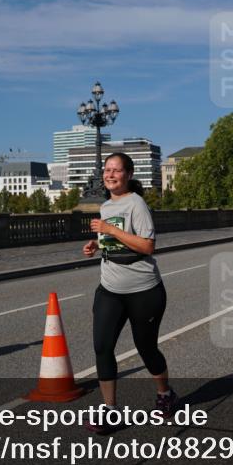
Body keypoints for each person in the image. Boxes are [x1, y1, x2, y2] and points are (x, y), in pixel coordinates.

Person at [82, 152, 176, 433]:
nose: (110, 175)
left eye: (116, 170)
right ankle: (110, 410)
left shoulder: (137, 205)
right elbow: (115, 242)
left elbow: (147, 246)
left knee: (146, 348)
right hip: (110, 287)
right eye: (106, 170)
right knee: (102, 346)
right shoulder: (106, 205)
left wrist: (109, 228)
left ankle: (165, 395)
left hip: (143, 290)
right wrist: (97, 245)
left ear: (128, 175)